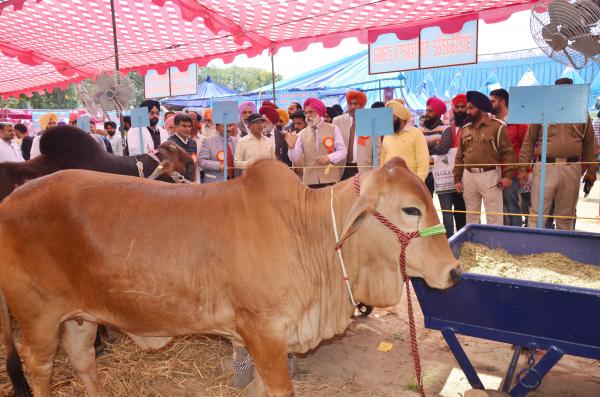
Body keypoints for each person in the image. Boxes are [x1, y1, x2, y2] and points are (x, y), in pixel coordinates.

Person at [518, 79, 598, 230]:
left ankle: (563, 251)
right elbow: (528, 142)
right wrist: (522, 168)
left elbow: (590, 144)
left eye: (567, 89)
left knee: (566, 215)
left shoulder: (581, 112)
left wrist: (592, 171)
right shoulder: (543, 111)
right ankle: (533, 250)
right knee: (537, 213)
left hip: (571, 167)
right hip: (545, 166)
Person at [454, 91, 515, 226]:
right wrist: (457, 179)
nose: (467, 111)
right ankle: (473, 246)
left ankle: (494, 245)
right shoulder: (465, 129)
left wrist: (508, 176)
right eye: (467, 108)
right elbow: (459, 157)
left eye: (471, 108)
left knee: (494, 217)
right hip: (468, 176)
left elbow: (508, 153)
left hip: (490, 175)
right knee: (471, 217)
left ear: (481, 109)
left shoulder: (497, 127)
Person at [286, 98, 347, 188]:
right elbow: (294, 158)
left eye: (311, 112)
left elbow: (342, 152)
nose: (308, 116)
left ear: (319, 112)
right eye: (306, 113)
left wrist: (328, 157)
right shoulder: (301, 134)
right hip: (310, 181)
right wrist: (291, 148)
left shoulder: (333, 128)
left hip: (330, 179)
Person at [490, 88, 528, 227]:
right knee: (499, 209)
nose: (490, 104)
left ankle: (515, 238)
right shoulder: (491, 123)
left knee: (512, 207)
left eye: (492, 101)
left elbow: (526, 147)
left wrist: (524, 170)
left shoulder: (517, 121)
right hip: (494, 172)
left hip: (511, 172)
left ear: (503, 102)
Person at [334, 90, 381, 180]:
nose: (353, 107)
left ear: (363, 105)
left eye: (356, 104)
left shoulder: (372, 122)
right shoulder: (337, 121)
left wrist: (375, 173)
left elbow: (377, 150)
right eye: (350, 104)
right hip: (343, 169)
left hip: (364, 170)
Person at [380, 100, 429, 181]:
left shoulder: (416, 133)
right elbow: (382, 162)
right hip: (389, 185)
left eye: (391, 117)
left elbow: (423, 163)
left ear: (400, 117)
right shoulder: (387, 136)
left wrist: (417, 183)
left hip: (410, 185)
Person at [421, 97, 453, 195]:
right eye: (426, 110)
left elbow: (443, 148)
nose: (426, 114)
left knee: (445, 207)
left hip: (441, 173)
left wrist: (425, 148)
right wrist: (434, 145)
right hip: (424, 172)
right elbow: (417, 149)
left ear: (438, 114)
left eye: (430, 111)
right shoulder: (420, 130)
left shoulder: (445, 128)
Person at [447, 94, 468, 233]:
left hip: (466, 173)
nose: (460, 110)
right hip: (448, 174)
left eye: (463, 107)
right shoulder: (449, 127)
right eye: (457, 107)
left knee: (464, 207)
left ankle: (465, 234)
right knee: (453, 206)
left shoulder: (470, 126)